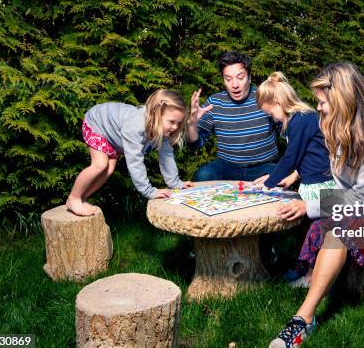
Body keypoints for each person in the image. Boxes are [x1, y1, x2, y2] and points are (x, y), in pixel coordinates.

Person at [268, 62, 364, 348]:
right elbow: (345, 189)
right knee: (323, 224)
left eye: (322, 102)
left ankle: (304, 317)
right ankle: (317, 278)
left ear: (342, 99)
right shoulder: (339, 131)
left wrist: (310, 205)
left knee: (338, 230)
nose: (319, 108)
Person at [253, 71, 336, 286]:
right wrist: (289, 178)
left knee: (313, 231)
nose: (272, 118)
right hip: (310, 180)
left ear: (279, 102)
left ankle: (311, 276)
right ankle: (301, 267)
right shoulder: (297, 119)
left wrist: (269, 182)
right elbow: (304, 156)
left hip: (321, 183)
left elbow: (291, 157)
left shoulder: (302, 119)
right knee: (303, 230)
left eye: (271, 113)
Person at [66, 90, 194, 216]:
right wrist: (148, 191)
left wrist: (175, 183)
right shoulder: (135, 126)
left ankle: (82, 199)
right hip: (97, 122)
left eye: (178, 123)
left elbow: (167, 156)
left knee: (109, 170)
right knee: (100, 165)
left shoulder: (163, 130)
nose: (175, 127)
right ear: (156, 113)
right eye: (172, 122)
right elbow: (135, 161)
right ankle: (74, 198)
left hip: (113, 135)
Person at [187, 51, 280, 182]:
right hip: (227, 167)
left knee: (280, 174)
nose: (234, 85)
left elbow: (289, 132)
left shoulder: (265, 97)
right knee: (204, 175)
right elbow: (195, 144)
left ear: (250, 77)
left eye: (240, 78)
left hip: (264, 166)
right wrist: (191, 123)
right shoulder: (214, 103)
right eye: (228, 79)